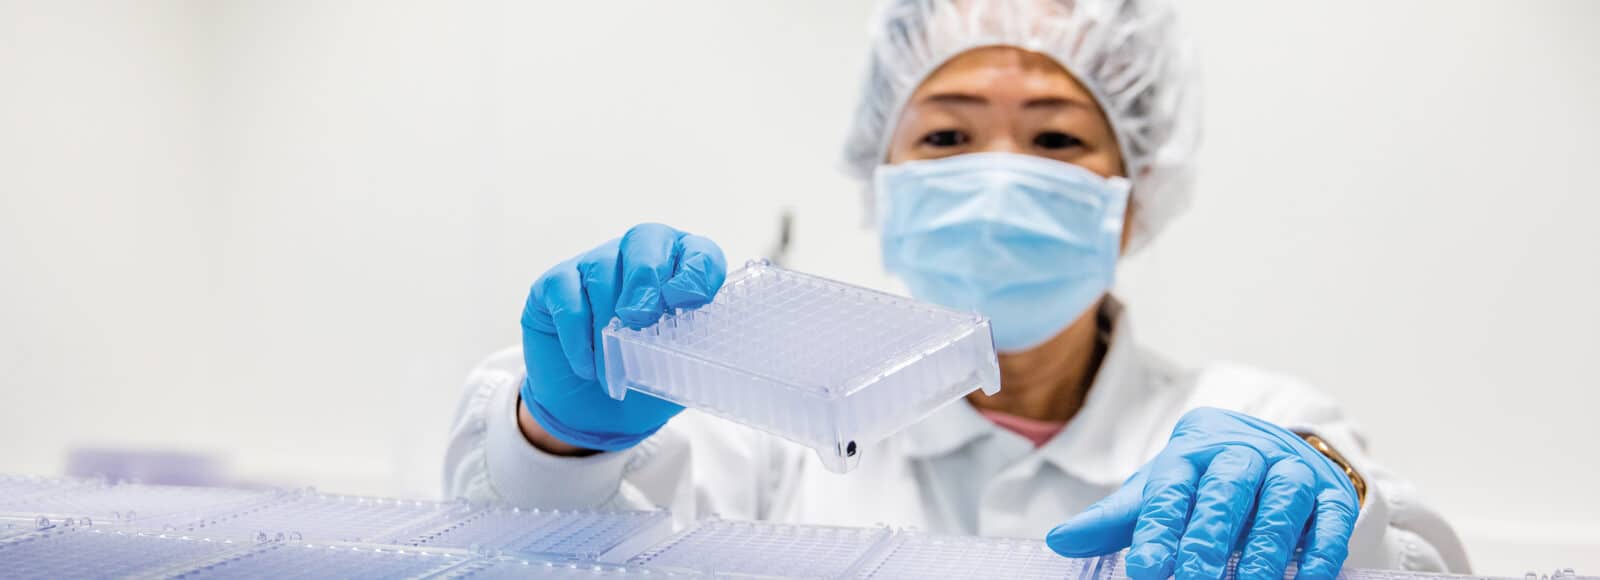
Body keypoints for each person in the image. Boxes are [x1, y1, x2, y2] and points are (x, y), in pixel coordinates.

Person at [444, 1, 1471, 578]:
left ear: (1133, 197)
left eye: (1057, 139)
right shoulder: (754, 427)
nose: (998, 175)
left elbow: (1418, 567)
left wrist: (1335, 516)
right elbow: (529, 558)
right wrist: (560, 442)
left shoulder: (1255, 419)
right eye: (945, 134)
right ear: (882, 181)